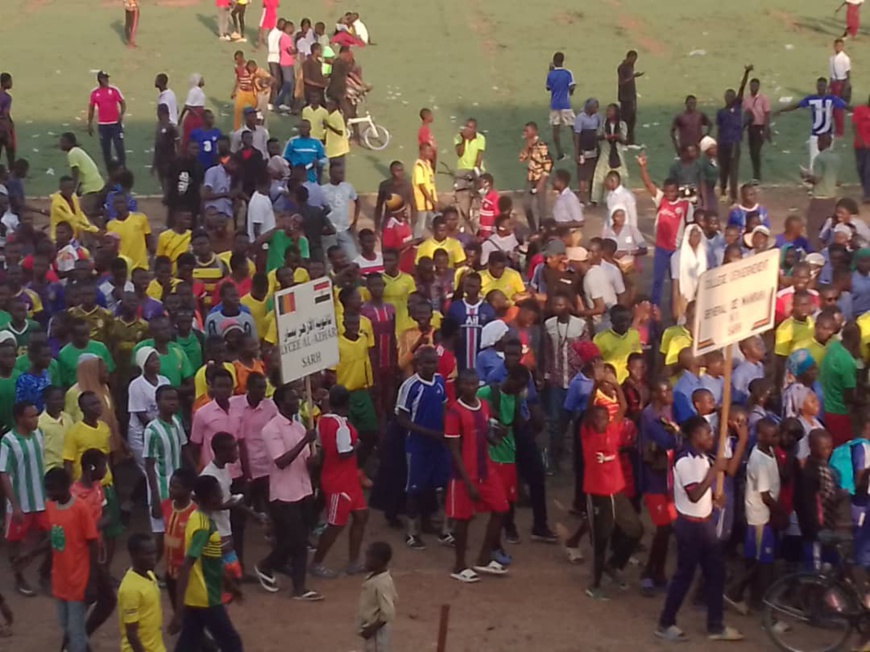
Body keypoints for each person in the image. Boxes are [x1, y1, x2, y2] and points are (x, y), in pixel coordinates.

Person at [656, 415, 741, 642]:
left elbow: (702, 492)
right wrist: (715, 470)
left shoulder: (701, 458)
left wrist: (714, 498)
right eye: (707, 433)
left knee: (716, 573)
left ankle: (715, 625)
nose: (711, 437)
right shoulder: (685, 460)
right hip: (690, 526)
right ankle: (666, 623)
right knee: (684, 575)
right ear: (695, 436)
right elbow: (693, 494)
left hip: (704, 524)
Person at [253, 384, 322, 601]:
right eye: (293, 399)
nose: (297, 401)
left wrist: (316, 459)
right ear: (280, 402)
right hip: (284, 493)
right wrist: (305, 441)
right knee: (298, 540)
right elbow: (281, 461)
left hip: (302, 489)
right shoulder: (271, 429)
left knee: (293, 540)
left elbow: (305, 462)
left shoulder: (299, 427)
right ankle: (293, 584)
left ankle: (271, 567)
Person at [445, 368, 510, 582]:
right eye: (466, 384)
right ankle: (459, 565)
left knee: (501, 508)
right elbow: (454, 449)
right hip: (464, 475)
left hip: (486, 470)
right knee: (463, 520)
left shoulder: (484, 406)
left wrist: (498, 433)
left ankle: (483, 558)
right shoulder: (454, 412)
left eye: (474, 384)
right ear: (459, 386)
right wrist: (467, 482)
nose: (470, 388)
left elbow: (487, 435)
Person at [168, 474, 243, 651]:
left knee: (188, 643)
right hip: (206, 597)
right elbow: (187, 565)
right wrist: (178, 613)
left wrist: (230, 585)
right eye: (217, 494)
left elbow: (211, 560)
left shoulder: (195, 517)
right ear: (208, 499)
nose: (221, 498)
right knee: (232, 643)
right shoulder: (204, 526)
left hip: (195, 597)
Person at [309, 385, 369, 576]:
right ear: (347, 403)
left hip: (343, 479)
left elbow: (321, 447)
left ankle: (354, 562)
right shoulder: (341, 426)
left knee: (361, 516)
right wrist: (357, 445)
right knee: (336, 524)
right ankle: (317, 563)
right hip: (339, 481)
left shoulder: (323, 421)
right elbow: (345, 453)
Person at [40, 467, 100, 652]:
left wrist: (91, 579)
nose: (49, 493)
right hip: (60, 580)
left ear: (66, 487)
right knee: (67, 625)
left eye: (52, 489)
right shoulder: (50, 506)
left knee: (75, 632)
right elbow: (53, 537)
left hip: (78, 581)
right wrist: (30, 555)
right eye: (47, 488)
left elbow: (92, 543)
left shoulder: (80, 509)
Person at [1, 401, 48, 596]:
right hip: (21, 502)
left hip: (42, 500)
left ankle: (43, 572)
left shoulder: (39, 435)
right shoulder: (8, 442)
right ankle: (19, 577)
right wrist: (15, 505)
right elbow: (3, 474)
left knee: (53, 535)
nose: (35, 419)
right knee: (14, 541)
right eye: (31, 416)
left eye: (36, 415)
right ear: (19, 418)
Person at [636, 153, 691, 308]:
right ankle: (655, 310)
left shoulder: (685, 205)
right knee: (657, 281)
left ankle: (678, 310)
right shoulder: (661, 200)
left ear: (677, 190)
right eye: (667, 191)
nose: (669, 194)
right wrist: (642, 167)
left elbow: (690, 225)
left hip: (676, 250)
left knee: (677, 282)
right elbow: (648, 185)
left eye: (672, 191)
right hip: (661, 249)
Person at [777, 77, 850, 167]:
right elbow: (796, 105)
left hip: (828, 135)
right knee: (814, 160)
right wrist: (781, 111)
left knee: (827, 160)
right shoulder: (811, 99)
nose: (821, 88)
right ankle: (813, 176)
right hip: (815, 135)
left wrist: (862, 111)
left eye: (823, 86)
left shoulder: (832, 99)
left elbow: (846, 106)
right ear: (816, 86)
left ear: (826, 87)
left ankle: (825, 178)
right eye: (819, 86)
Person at [117, 533, 164, 652]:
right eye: (148, 553)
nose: (153, 557)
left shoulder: (150, 575)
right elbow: (131, 634)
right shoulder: (130, 588)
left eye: (154, 552)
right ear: (134, 555)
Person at [716, 66, 752, 203]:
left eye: (731, 96)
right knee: (723, 169)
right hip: (723, 143)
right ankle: (723, 191)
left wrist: (746, 73)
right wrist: (718, 144)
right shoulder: (721, 112)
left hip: (734, 143)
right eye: (727, 96)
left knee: (733, 170)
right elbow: (719, 128)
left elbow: (742, 89)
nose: (729, 98)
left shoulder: (736, 107)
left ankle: (734, 196)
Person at [357, 541, 398, 652]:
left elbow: (388, 612)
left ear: (379, 561)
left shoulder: (381, 583)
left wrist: (372, 629)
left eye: (369, 558)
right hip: (372, 627)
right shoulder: (373, 577)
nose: (365, 561)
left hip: (377, 630)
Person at [803, 134, 841, 246]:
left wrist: (806, 176)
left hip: (819, 197)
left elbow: (817, 178)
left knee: (814, 227)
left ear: (821, 143)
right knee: (828, 225)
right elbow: (839, 181)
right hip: (832, 197)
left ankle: (815, 250)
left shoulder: (819, 158)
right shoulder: (837, 158)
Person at [87, 71, 126, 171]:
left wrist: (121, 115)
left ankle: (123, 167)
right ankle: (110, 170)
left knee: (119, 146)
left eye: (107, 78)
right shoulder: (95, 93)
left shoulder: (113, 91)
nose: (107, 80)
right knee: (105, 149)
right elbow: (91, 109)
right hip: (103, 125)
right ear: (100, 79)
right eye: (105, 78)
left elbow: (122, 103)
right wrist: (90, 123)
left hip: (115, 123)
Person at [518, 121, 553, 231]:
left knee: (541, 207)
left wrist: (542, 182)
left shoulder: (541, 146)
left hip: (539, 179)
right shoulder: (529, 145)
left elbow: (548, 164)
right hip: (530, 178)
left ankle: (542, 230)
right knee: (526, 204)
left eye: (526, 130)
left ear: (534, 131)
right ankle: (533, 229)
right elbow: (521, 159)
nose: (524, 133)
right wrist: (527, 147)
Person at [591, 105, 628, 206]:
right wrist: (605, 136)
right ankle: (596, 198)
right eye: (607, 110)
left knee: (621, 174)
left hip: (617, 151)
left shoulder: (622, 124)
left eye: (610, 111)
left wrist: (616, 137)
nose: (608, 112)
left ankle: (623, 196)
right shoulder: (603, 123)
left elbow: (624, 140)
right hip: (606, 150)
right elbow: (598, 136)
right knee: (600, 174)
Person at [453, 119, 486, 222]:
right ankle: (464, 220)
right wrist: (463, 139)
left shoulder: (480, 138)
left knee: (478, 196)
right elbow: (460, 153)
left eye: (470, 127)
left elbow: (479, 156)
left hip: (475, 169)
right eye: (466, 126)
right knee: (462, 199)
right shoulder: (458, 137)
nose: (467, 129)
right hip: (462, 170)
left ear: (475, 129)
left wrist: (476, 172)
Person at [546, 52, 575, 161]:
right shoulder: (567, 73)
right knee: (574, 128)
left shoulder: (551, 74)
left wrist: (550, 71)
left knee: (555, 130)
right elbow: (572, 87)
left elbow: (548, 87)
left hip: (554, 104)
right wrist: (570, 92)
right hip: (565, 104)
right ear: (563, 61)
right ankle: (578, 150)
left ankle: (560, 154)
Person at [573, 98, 601, 204]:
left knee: (592, 173)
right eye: (595, 107)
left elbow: (598, 129)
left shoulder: (597, 117)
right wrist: (577, 152)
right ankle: (582, 198)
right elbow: (577, 135)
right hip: (583, 150)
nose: (597, 109)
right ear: (589, 107)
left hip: (593, 148)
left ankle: (591, 197)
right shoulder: (580, 118)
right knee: (582, 174)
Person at [743, 76, 771, 182]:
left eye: (755, 85)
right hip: (751, 127)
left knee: (756, 151)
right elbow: (746, 114)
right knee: (752, 152)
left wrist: (766, 129)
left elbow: (767, 114)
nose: (753, 87)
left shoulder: (764, 98)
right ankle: (755, 174)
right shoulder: (747, 99)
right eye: (752, 85)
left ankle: (757, 174)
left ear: (758, 86)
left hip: (760, 126)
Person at [617, 50, 642, 145]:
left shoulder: (630, 66)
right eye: (633, 59)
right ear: (629, 57)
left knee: (632, 119)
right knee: (625, 120)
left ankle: (631, 141)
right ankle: (624, 140)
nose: (634, 61)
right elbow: (621, 82)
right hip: (625, 97)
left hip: (632, 96)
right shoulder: (621, 68)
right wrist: (632, 77)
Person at [828, 39, 852, 138]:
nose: (838, 47)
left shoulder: (845, 58)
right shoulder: (831, 58)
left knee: (839, 108)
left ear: (842, 47)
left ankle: (840, 131)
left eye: (840, 46)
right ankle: (833, 127)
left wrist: (845, 86)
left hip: (840, 82)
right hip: (833, 82)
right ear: (834, 46)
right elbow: (831, 73)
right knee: (832, 107)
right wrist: (830, 85)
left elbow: (848, 73)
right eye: (836, 45)